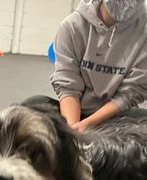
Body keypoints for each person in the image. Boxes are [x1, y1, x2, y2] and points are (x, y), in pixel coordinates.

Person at [49, 0, 147, 132]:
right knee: (32, 107)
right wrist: (72, 132)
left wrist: (89, 124)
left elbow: (132, 91)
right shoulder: (72, 26)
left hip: (115, 115)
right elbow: (68, 85)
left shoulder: (144, 31)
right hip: (76, 111)